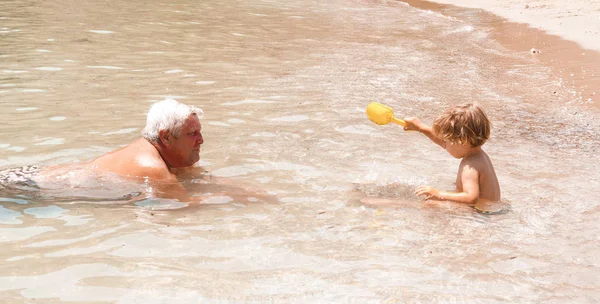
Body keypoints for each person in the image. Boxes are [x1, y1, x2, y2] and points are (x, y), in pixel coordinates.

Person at [1, 99, 215, 202]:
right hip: (28, 186)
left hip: (37, 177)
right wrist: (245, 198)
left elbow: (200, 180)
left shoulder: (169, 155)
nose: (201, 139)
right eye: (192, 133)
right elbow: (188, 205)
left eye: (199, 131)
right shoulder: (153, 167)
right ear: (166, 137)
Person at [403, 103, 501, 207]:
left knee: (423, 205)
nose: (443, 143)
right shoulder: (478, 155)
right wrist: (420, 127)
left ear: (462, 141)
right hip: (489, 211)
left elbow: (471, 198)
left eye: (446, 141)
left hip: (479, 214)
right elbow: (441, 140)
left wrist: (439, 194)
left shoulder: (470, 166)